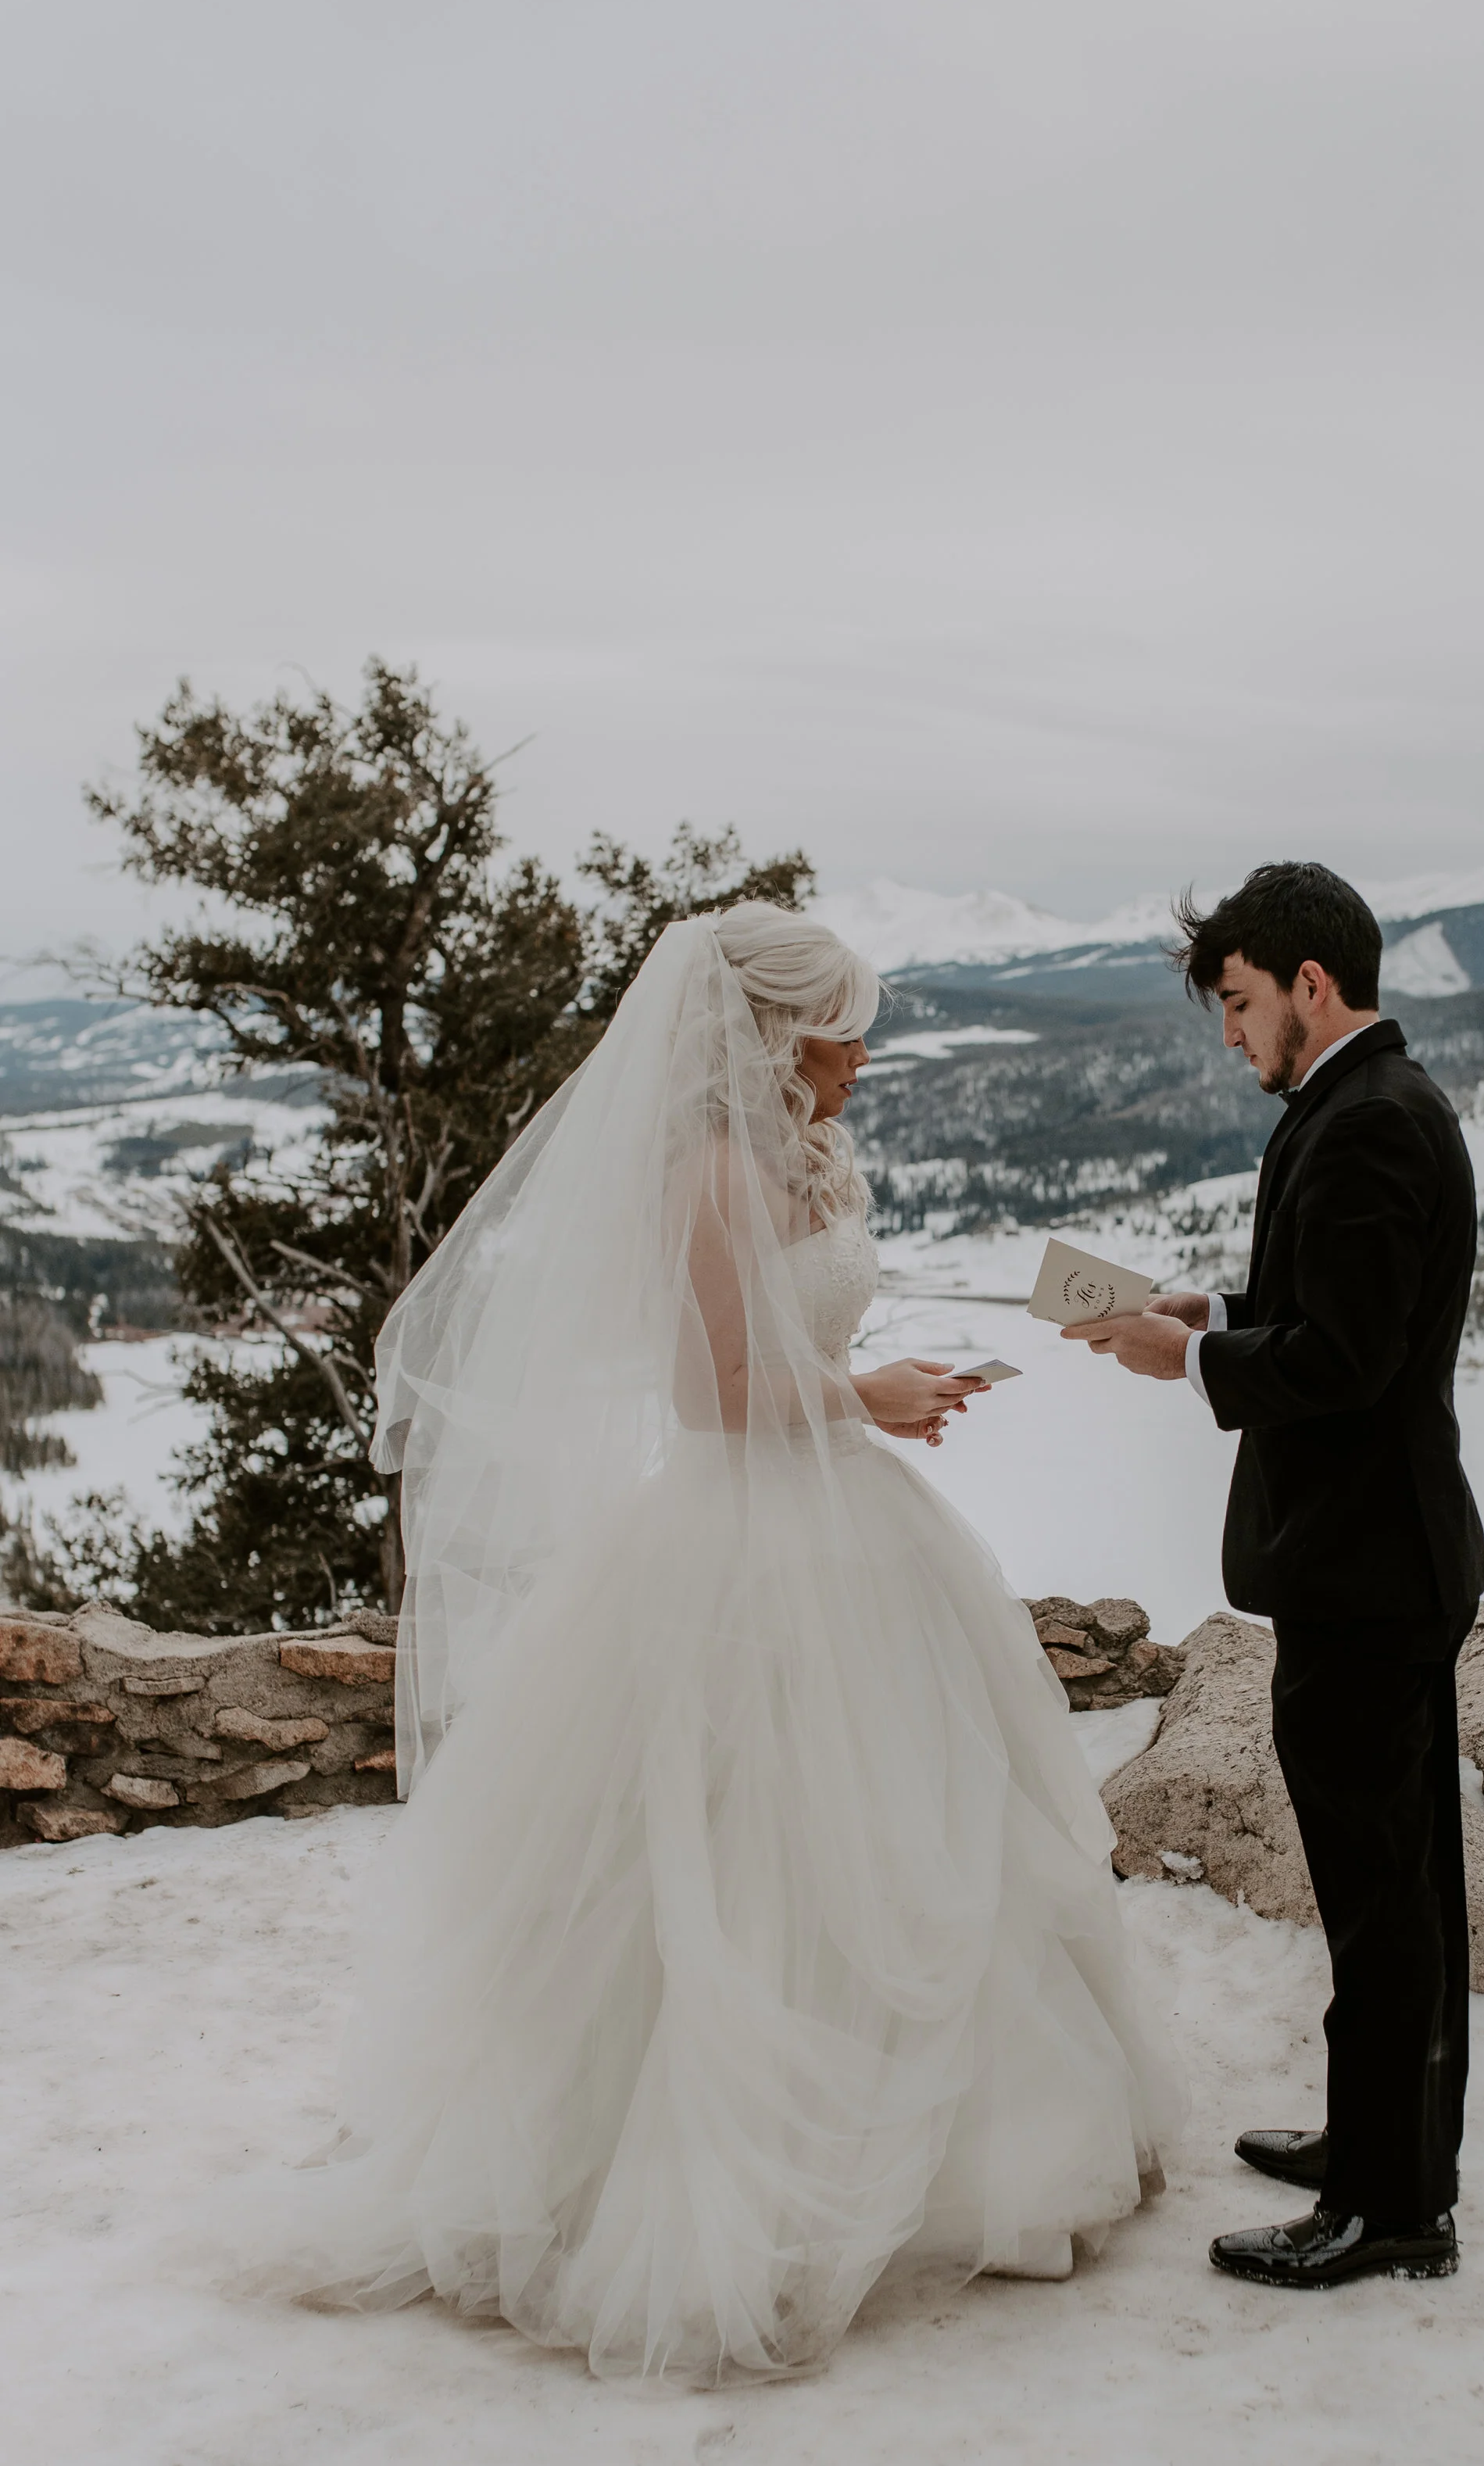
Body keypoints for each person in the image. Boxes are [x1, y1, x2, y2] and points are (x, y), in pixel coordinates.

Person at [268, 903, 1179, 2385]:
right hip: (740, 1543)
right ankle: (715, 2187)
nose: (865, 1054)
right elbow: (715, 1397)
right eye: (843, 1029)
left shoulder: (795, 1157)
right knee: (743, 1857)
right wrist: (863, 1396)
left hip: (849, 1524)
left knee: (914, 1825)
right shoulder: (701, 1173)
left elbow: (799, 1353)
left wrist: (875, 1390)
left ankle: (965, 2139)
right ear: (775, 1036)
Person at [1063, 861, 1484, 2289]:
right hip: (1381, 1561)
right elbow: (1329, 1304)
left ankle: (1387, 2203)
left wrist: (1184, 1357)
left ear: (1313, 985)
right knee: (1397, 1881)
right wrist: (1216, 1306)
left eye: (1240, 1004)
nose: (1231, 1036)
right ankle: (1392, 2147)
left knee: (1381, 1896)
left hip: (1369, 1568)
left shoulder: (1367, 1124)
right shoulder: (1368, 1105)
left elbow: (1347, 1363)